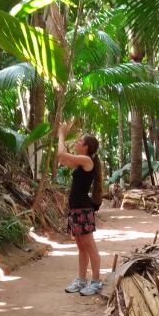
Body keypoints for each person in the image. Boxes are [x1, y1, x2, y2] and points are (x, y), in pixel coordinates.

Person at [57, 122, 103, 296]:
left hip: (83, 209)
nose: (76, 142)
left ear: (86, 147)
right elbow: (61, 158)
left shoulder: (87, 160)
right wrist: (61, 136)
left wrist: (62, 134)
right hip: (76, 209)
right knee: (81, 247)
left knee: (90, 246)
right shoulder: (79, 163)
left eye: (79, 141)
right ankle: (81, 280)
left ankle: (96, 282)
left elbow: (62, 153)